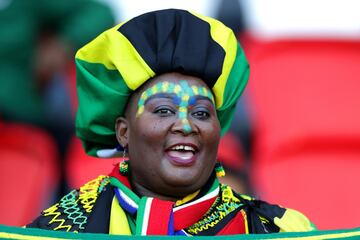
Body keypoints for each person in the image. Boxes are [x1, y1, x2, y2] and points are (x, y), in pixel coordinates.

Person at [27, 9, 316, 235]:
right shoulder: (64, 228)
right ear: (124, 132)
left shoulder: (279, 230)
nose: (186, 125)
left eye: (201, 113)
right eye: (164, 110)